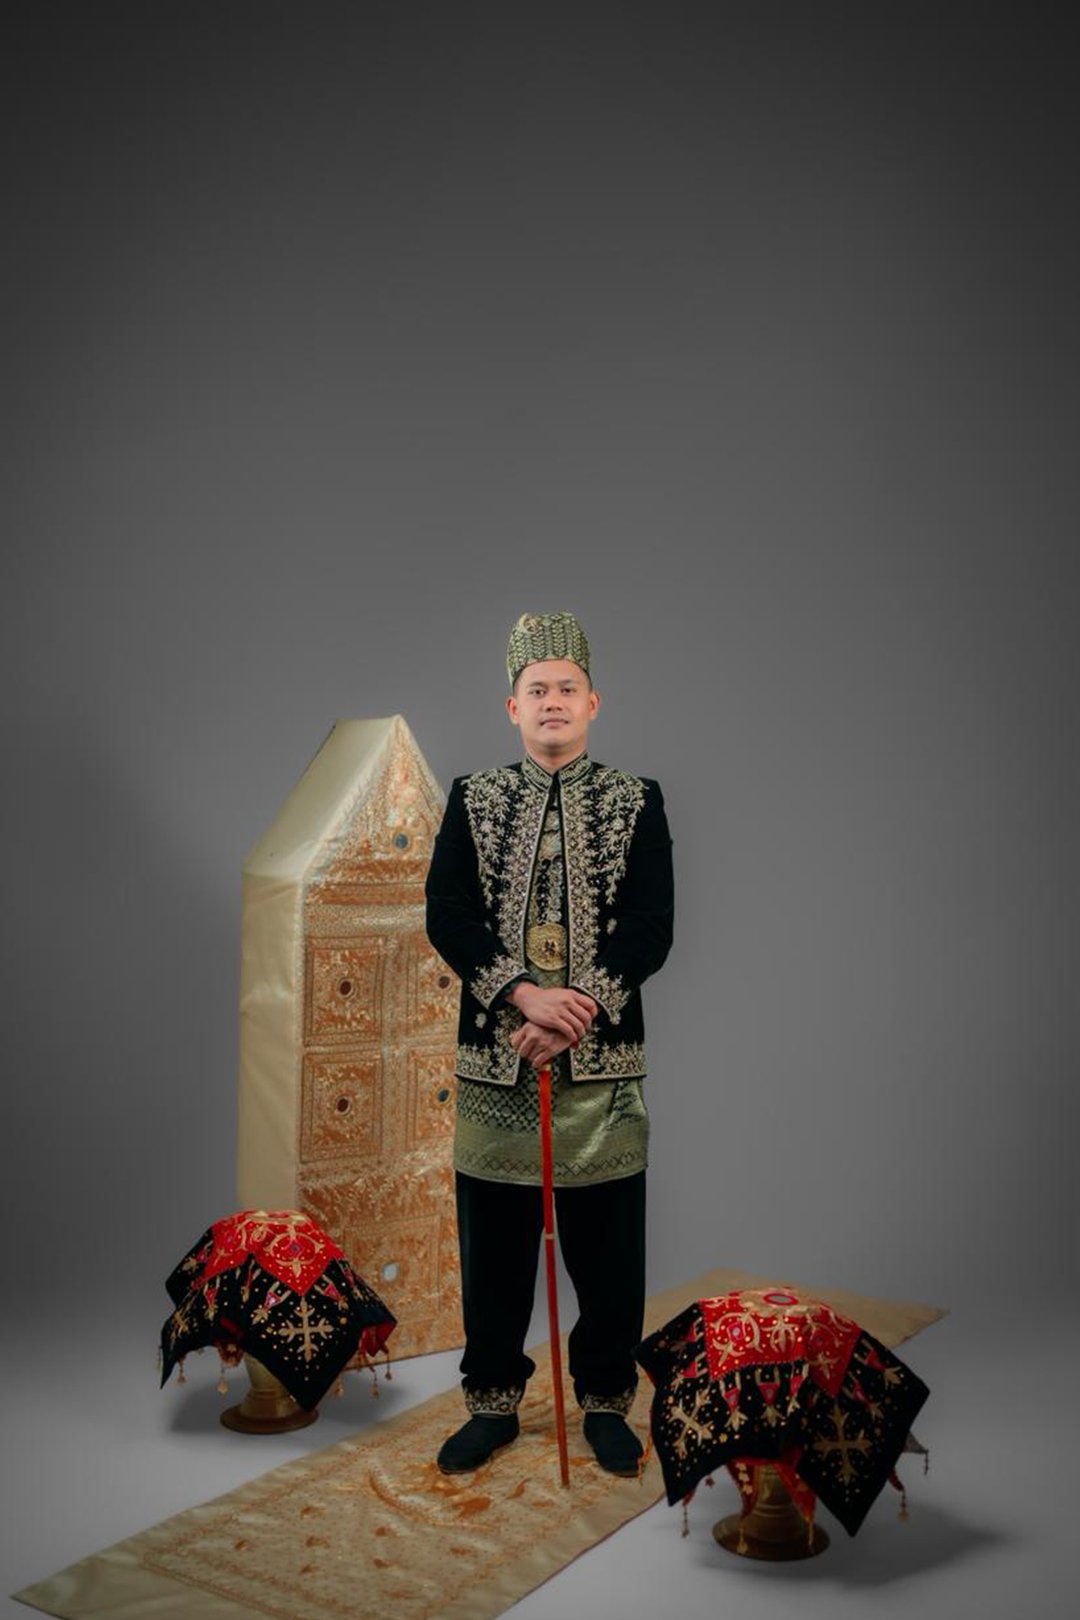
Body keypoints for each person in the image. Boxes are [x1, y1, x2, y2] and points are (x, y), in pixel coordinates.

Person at [425, 611, 674, 1476]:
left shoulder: (637, 799)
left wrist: (578, 1008)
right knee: (493, 1247)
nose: (553, 701)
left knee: (608, 1248)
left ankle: (605, 1400)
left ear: (594, 702)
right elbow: (447, 913)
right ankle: (492, 1404)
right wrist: (522, 995)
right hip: (497, 1060)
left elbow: (650, 926)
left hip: (601, 1067)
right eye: (538, 690)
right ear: (513, 707)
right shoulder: (473, 798)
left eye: (568, 688)